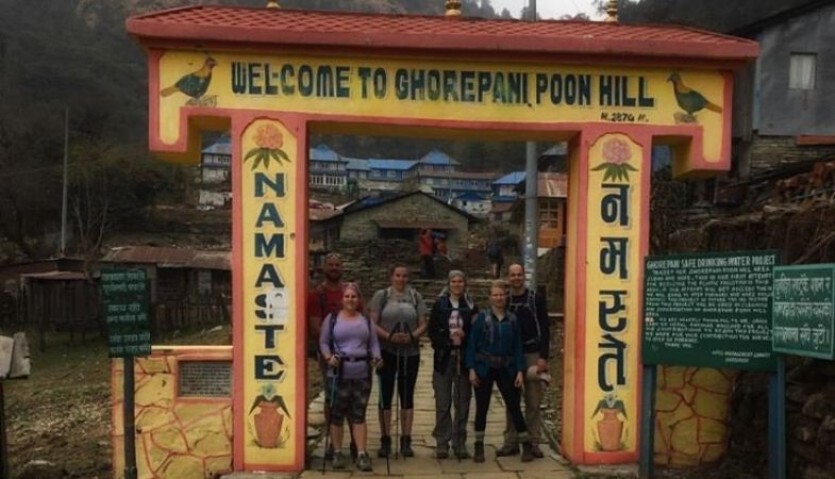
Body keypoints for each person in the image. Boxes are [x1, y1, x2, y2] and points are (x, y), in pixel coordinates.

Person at [465, 280, 534, 463]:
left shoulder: (512, 319)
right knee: (482, 406)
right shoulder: (481, 318)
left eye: (501, 295)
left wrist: (520, 370)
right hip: (484, 367)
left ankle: (525, 444)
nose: (498, 298)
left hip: (507, 367)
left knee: (513, 406)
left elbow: (518, 346)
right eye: (495, 295)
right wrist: (471, 369)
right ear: (489, 298)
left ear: (506, 297)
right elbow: (471, 344)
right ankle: (479, 445)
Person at [319, 283, 382, 471]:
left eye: (353, 296)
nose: (350, 300)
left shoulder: (366, 320)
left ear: (359, 299)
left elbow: (374, 343)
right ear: (341, 299)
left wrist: (377, 357)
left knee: (359, 414)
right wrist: (328, 358)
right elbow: (323, 342)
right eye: (347, 296)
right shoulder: (331, 320)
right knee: (337, 414)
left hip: (362, 372)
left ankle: (361, 453)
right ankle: (337, 451)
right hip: (338, 373)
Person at [307, 253, 363, 459]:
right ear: (324, 268)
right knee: (332, 398)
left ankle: (356, 442)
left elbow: (361, 320)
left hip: (353, 356)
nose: (334, 268)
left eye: (337, 265)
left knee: (353, 398)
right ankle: (333, 441)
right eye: (330, 264)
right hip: (329, 354)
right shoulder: (316, 295)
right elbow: (315, 327)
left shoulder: (350, 293)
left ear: (342, 267)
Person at [369, 263, 428, 458]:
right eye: (398, 275)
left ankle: (406, 440)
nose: (401, 279)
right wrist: (387, 336)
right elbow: (372, 322)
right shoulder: (382, 296)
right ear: (391, 277)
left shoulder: (415, 296)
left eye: (404, 276)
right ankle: (385, 439)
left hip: (409, 352)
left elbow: (423, 323)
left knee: (407, 395)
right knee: (385, 396)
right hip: (387, 351)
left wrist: (412, 337)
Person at [496, 263, 550, 459]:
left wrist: (544, 356)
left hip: (532, 353)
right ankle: (511, 442)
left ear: (524, 276)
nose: (516, 278)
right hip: (510, 357)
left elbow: (545, 328)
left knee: (534, 401)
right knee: (512, 401)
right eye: (513, 275)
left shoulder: (535, 299)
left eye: (519, 274)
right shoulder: (505, 300)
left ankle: (534, 442)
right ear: (508, 278)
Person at [428, 270, 477, 459]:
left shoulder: (471, 306)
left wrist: (465, 337)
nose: (457, 284)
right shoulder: (440, 305)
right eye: (454, 281)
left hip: (464, 359)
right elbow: (432, 333)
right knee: (443, 402)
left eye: (460, 281)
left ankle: (460, 441)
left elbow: (476, 332)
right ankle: (442, 441)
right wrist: (448, 340)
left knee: (462, 402)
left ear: (465, 284)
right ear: (449, 284)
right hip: (443, 358)